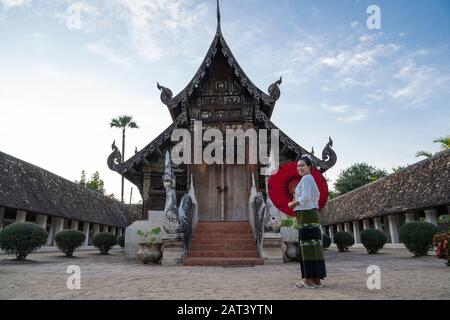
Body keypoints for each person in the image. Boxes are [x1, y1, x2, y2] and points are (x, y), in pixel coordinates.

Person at [288, 156, 326, 289]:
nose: (300, 168)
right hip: (312, 213)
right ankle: (316, 279)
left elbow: (306, 197)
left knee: (306, 247)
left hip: (306, 214)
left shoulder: (305, 179)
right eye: (298, 166)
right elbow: (316, 195)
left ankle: (308, 280)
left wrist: (294, 203)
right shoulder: (310, 179)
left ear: (310, 167)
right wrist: (298, 199)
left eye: (303, 165)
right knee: (314, 246)